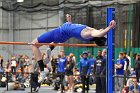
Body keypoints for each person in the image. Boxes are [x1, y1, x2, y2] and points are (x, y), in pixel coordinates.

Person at [31, 14, 116, 85]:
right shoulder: (91, 31)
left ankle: (42, 70)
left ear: (99, 37)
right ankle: (49, 52)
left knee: (34, 44)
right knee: (52, 42)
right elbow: (73, 29)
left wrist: (110, 27)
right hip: (64, 34)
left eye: (104, 36)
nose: (102, 30)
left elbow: (101, 33)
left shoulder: (91, 33)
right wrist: (69, 21)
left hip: (60, 32)